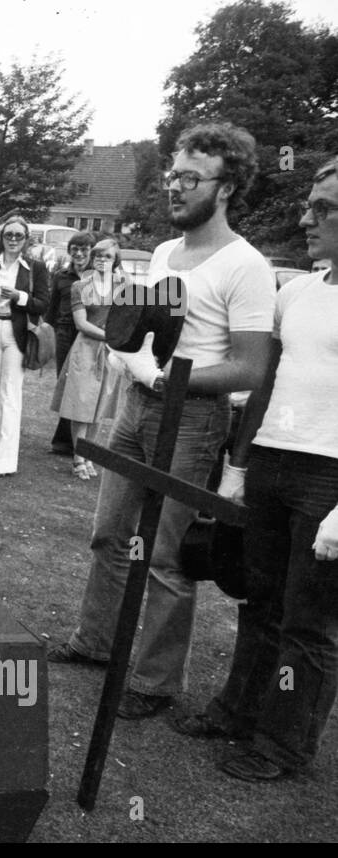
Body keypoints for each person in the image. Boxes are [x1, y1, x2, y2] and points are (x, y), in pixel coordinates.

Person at [50, 123, 275, 721]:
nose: (174, 187)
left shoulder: (247, 266)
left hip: (193, 419)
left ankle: (153, 681)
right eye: (173, 175)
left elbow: (250, 367)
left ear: (226, 188)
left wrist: (167, 380)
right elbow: (139, 328)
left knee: (167, 555)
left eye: (189, 178)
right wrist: (137, 366)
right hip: (139, 405)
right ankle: (96, 642)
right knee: (109, 533)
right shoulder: (164, 253)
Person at [171, 157, 338, 780]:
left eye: (324, 208)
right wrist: (239, 464)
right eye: (308, 203)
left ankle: (284, 744)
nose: (306, 217)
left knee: (309, 622)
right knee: (259, 601)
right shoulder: (296, 291)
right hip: (271, 462)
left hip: (330, 477)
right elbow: (264, 384)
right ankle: (237, 711)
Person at [0, 215, 49, 477]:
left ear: (26, 240)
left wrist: (20, 297)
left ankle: (1, 461)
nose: (13, 239)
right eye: (9, 234)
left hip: (16, 335)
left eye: (19, 235)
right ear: (2, 238)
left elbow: (43, 304)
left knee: (9, 396)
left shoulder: (35, 268)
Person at [50, 238, 125, 480]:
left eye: (108, 257)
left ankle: (89, 456)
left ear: (116, 261)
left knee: (99, 406)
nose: (102, 260)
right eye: (99, 256)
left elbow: (131, 317)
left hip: (111, 353)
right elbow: (82, 324)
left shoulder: (125, 285)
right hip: (86, 348)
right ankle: (78, 457)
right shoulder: (80, 286)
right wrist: (112, 337)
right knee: (80, 405)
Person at [47, 231, 97, 454]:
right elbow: (51, 308)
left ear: (91, 252)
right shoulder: (61, 276)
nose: (79, 253)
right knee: (66, 383)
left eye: (84, 249)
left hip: (88, 334)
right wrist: (48, 333)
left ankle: (74, 442)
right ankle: (64, 441)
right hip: (65, 332)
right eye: (74, 249)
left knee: (83, 387)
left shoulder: (99, 276)